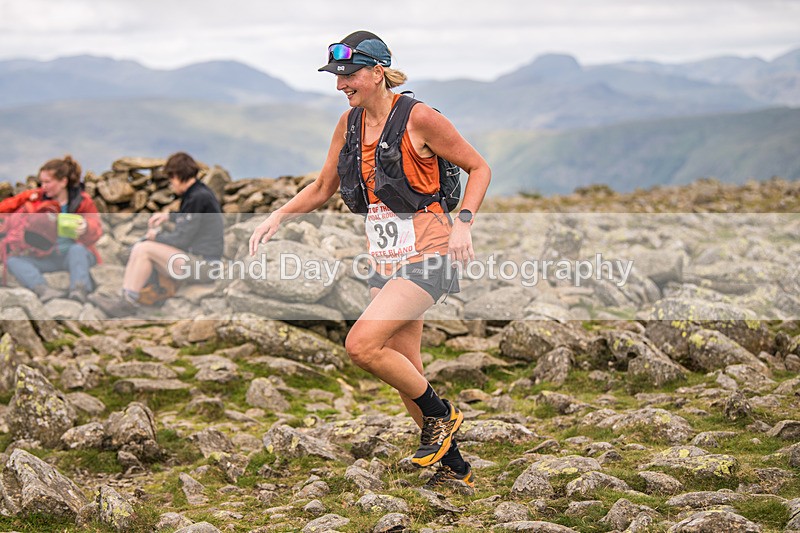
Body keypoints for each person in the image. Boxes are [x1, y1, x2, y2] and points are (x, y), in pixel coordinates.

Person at [249, 30, 491, 489]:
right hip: (385, 256)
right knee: (405, 366)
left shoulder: (420, 118)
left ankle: (442, 414)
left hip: (431, 249)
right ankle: (454, 466)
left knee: (361, 346)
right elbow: (322, 187)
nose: (341, 84)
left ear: (378, 73)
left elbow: (480, 167)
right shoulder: (349, 124)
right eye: (337, 76)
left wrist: (464, 222)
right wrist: (277, 216)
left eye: (349, 74)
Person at [90, 152, 224, 317]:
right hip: (202, 261)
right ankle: (130, 297)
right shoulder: (198, 194)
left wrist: (155, 237)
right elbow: (192, 221)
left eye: (171, 179)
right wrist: (168, 216)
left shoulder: (197, 197)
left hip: (204, 265)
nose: (171, 184)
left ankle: (128, 301)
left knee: (144, 249)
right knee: (143, 248)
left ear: (178, 175)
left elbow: (181, 239)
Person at [0, 155, 102, 303]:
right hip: (45, 256)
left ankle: (79, 290)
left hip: (73, 256)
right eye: (42, 182)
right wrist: (28, 197)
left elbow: (96, 229)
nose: (43, 186)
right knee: (13, 261)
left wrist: (86, 227)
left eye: (47, 182)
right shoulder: (37, 198)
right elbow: (6, 206)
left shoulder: (82, 201)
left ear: (63, 182)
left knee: (77, 250)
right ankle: (43, 290)